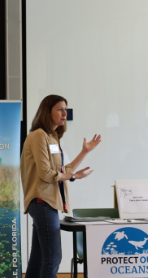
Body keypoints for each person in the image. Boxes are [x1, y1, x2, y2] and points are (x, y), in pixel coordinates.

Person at [21, 95, 102, 278]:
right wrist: (73, 176)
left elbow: (63, 170)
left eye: (66, 109)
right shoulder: (38, 136)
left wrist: (85, 152)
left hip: (48, 202)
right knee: (53, 259)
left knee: (39, 259)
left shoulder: (52, 137)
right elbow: (46, 174)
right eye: (60, 109)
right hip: (42, 201)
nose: (65, 113)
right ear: (46, 112)